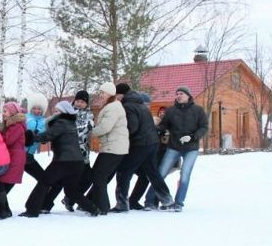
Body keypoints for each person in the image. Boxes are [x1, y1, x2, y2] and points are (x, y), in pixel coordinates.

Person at [20, 101, 99, 218]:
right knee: (71, 191)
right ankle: (93, 209)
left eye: (57, 111)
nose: (55, 113)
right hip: (77, 162)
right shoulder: (70, 123)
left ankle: (32, 210)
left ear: (64, 112)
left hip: (64, 161)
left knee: (44, 181)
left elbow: (47, 136)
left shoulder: (61, 123)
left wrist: (31, 137)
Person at [111, 83, 175, 212]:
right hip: (152, 143)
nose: (116, 99)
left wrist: (120, 134)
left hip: (139, 144)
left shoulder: (128, 106)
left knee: (124, 172)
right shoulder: (140, 103)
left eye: (117, 96)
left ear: (121, 94)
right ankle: (167, 200)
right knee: (151, 172)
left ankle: (122, 204)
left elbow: (132, 127)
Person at [145, 85, 208, 211]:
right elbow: (163, 126)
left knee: (185, 174)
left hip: (191, 148)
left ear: (188, 96)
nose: (178, 96)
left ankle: (179, 203)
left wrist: (192, 137)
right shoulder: (171, 111)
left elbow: (204, 127)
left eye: (181, 94)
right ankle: (150, 201)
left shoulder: (198, 110)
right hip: (174, 147)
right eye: (177, 94)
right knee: (161, 173)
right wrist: (150, 127)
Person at [44, 90, 94, 212]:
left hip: (82, 154)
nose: (79, 103)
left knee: (87, 178)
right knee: (59, 181)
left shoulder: (89, 115)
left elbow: (87, 128)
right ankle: (46, 204)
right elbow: (54, 123)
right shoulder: (67, 112)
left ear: (86, 104)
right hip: (67, 152)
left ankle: (69, 200)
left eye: (82, 102)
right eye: (78, 101)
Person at [83, 82, 129, 214]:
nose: (101, 95)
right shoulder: (112, 106)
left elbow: (105, 127)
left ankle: (102, 207)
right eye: (100, 92)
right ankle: (98, 204)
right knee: (99, 176)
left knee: (98, 176)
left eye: (103, 92)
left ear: (110, 93)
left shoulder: (113, 107)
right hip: (113, 146)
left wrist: (89, 133)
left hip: (113, 147)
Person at [24, 92, 48, 184]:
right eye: (34, 108)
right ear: (30, 108)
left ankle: (42, 198)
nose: (36, 111)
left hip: (30, 156)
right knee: (7, 182)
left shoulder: (44, 122)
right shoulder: (25, 118)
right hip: (19, 155)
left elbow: (45, 136)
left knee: (44, 179)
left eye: (39, 109)